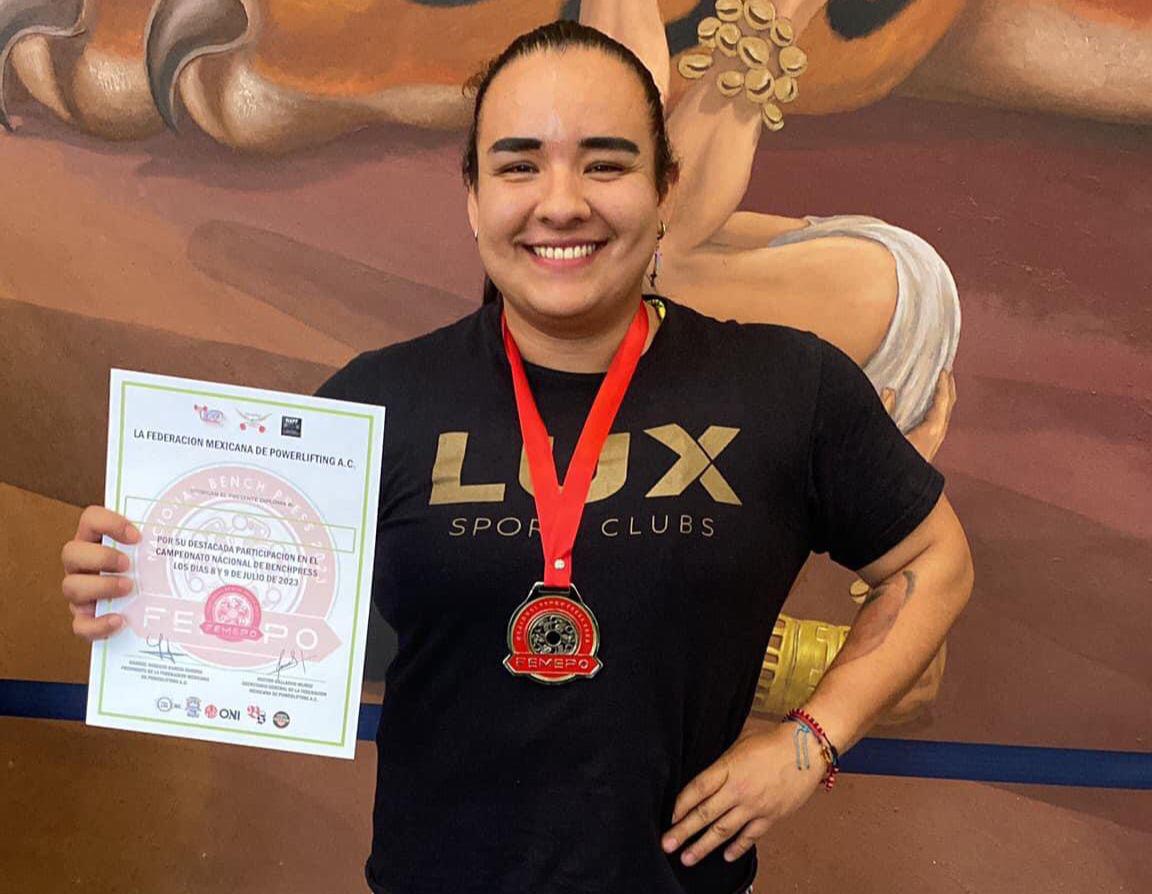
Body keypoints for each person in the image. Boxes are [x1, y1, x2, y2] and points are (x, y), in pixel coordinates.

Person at [60, 20, 974, 894]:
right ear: (474, 197)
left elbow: (935, 562)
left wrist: (813, 740)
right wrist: (135, 580)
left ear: (665, 189)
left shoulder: (783, 386)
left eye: (606, 163)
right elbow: (260, 602)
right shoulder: (378, 403)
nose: (561, 202)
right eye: (519, 164)